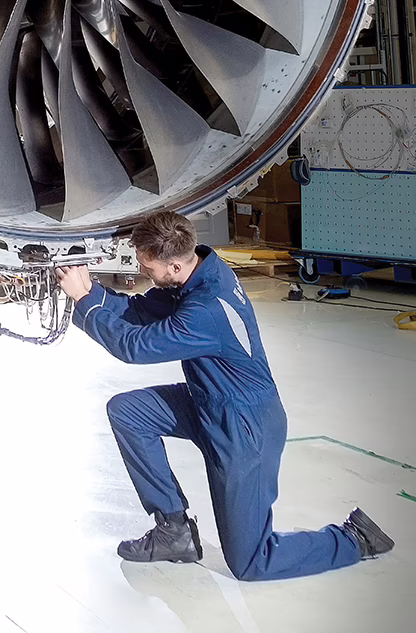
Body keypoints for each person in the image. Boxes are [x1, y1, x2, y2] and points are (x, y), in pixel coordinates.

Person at [58, 209, 394, 579]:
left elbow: (134, 348)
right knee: (129, 411)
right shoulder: (199, 272)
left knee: (251, 562)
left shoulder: (206, 309)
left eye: (148, 267)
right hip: (210, 402)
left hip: (244, 428)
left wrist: (84, 303)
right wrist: (90, 291)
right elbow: (138, 309)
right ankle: (174, 530)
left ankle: (355, 539)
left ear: (173, 266)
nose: (143, 274)